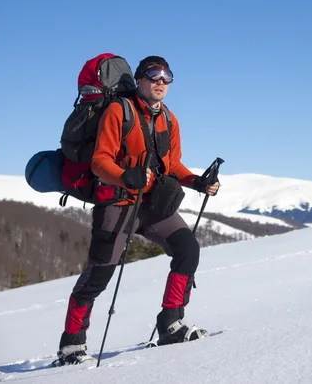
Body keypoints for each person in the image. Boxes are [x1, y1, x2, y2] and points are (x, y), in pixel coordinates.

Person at [56, 56, 220, 365]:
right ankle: (71, 345)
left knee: (187, 249)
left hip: (151, 203)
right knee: (99, 274)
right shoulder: (119, 111)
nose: (161, 81)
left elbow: (171, 165)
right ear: (140, 80)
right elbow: (99, 161)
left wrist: (198, 181)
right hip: (117, 203)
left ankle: (171, 323)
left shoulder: (170, 120)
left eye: (166, 76)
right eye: (153, 75)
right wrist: (124, 175)